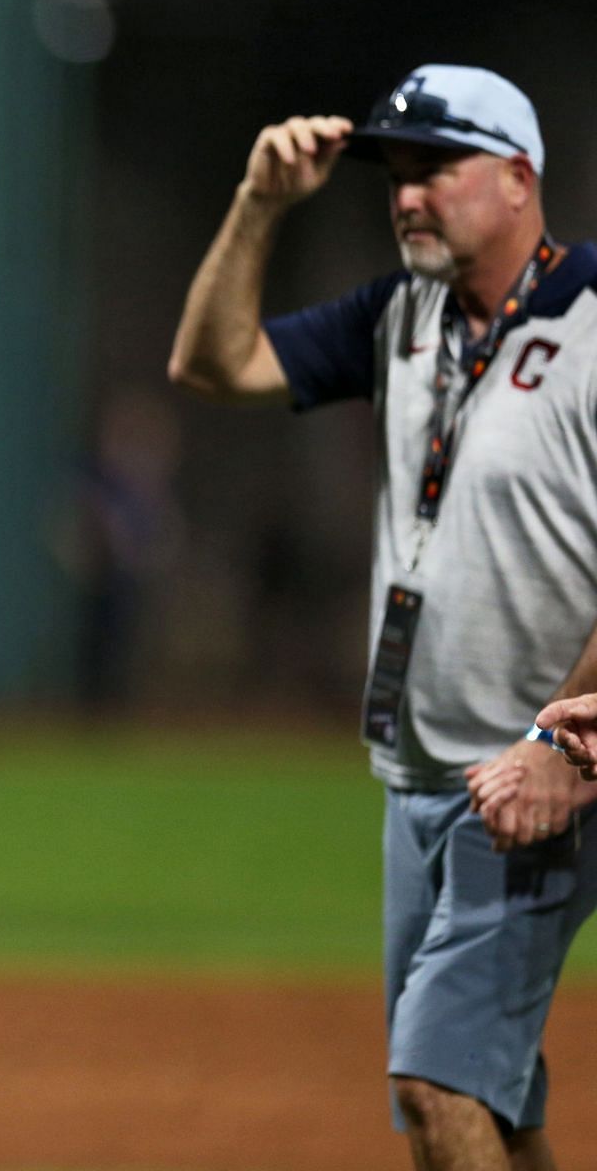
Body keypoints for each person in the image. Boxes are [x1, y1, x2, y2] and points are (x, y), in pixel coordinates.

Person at [168, 64, 597, 1170]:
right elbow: (210, 361)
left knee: (436, 1077)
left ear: (517, 176)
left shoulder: (594, 325)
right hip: (419, 770)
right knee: (479, 1101)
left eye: (435, 169)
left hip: (541, 775)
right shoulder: (401, 316)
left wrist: (563, 741)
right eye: (395, 175)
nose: (406, 195)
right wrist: (259, 203)